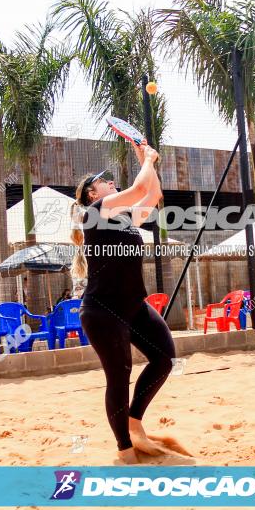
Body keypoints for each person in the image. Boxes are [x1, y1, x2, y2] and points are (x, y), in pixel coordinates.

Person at [70, 141, 188, 465]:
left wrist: (146, 162)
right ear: (93, 194)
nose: (111, 181)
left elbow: (152, 195)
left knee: (164, 359)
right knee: (119, 378)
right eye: (105, 180)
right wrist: (147, 159)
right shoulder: (96, 213)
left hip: (133, 306)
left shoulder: (123, 218)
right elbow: (138, 188)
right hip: (103, 312)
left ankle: (135, 421)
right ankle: (125, 449)